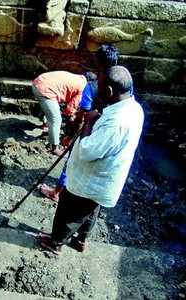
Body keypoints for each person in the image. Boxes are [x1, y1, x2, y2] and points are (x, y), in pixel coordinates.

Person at [38, 65, 144, 255]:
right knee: (90, 210)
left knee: (69, 212)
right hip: (104, 182)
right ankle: (81, 241)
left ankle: (55, 243)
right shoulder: (134, 108)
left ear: (109, 91)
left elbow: (87, 151)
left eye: (100, 86)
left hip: (90, 180)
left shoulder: (117, 122)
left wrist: (88, 122)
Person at [40, 44, 120, 202]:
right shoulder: (121, 82)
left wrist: (69, 136)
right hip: (111, 130)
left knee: (72, 160)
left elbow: (81, 116)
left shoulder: (92, 86)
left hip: (91, 129)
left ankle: (57, 192)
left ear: (97, 62)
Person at [32, 71, 87, 156]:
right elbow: (70, 110)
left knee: (52, 107)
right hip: (45, 89)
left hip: (38, 81)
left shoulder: (78, 78)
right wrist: (71, 122)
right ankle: (54, 148)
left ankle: (46, 125)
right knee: (56, 119)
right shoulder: (84, 88)